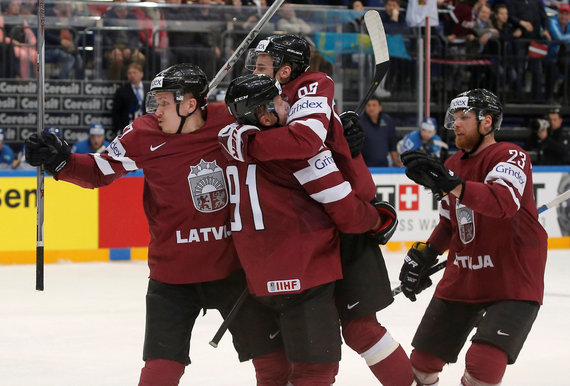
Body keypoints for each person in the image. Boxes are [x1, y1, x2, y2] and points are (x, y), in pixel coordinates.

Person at [23, 63, 287, 386]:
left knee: (274, 364)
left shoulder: (229, 120)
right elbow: (98, 170)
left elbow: (283, 128)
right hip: (172, 276)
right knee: (159, 374)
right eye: (156, 101)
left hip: (232, 269)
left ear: (191, 105)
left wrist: (337, 132)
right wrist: (61, 161)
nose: (156, 110)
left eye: (164, 102)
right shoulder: (142, 134)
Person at [229, 34, 416, 385]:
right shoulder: (265, 103)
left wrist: (245, 139)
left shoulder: (313, 84)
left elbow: (304, 141)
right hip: (317, 232)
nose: (255, 68)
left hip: (348, 220)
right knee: (300, 354)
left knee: (361, 330)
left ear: (285, 71)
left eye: (263, 64)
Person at [398, 89, 547, 385]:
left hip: (512, 273)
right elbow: (450, 224)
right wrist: (426, 253)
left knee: (483, 365)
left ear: (487, 122)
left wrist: (454, 184)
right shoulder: (452, 164)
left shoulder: (509, 155)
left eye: (464, 117)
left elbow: (502, 202)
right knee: (421, 366)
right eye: (453, 118)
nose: (456, 124)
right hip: (466, 273)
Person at [361, 96, 403, 167]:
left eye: (374, 105)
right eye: (368, 105)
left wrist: (396, 162)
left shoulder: (388, 121)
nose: (371, 108)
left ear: (380, 107)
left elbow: (392, 144)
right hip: (364, 166)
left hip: (383, 166)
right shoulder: (359, 122)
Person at [111, 62, 147, 136]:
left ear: (141, 74)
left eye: (134, 72)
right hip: (127, 130)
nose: (132, 75)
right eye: (129, 73)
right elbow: (116, 112)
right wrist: (119, 129)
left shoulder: (148, 90)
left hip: (145, 129)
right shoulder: (121, 91)